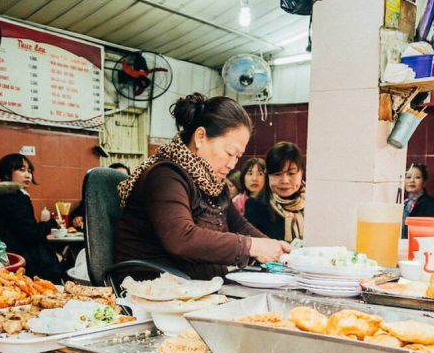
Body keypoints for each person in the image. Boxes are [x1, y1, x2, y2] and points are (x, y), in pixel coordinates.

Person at [115, 93, 290, 280]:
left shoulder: (214, 183)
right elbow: (181, 238)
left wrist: (275, 248)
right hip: (154, 286)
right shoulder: (165, 175)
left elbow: (238, 225)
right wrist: (250, 246)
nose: (232, 164)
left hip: (198, 284)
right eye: (229, 152)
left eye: (238, 157)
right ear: (200, 137)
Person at [0, 153, 63, 282]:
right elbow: (29, 235)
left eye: (29, 171)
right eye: (21, 170)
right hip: (21, 263)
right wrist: (50, 223)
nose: (28, 175)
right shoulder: (15, 196)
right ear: (7, 173)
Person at [244, 142, 306, 242]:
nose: (285, 180)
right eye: (277, 174)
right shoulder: (255, 206)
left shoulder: (313, 204)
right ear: (268, 175)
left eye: (291, 173)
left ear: (301, 172)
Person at [401, 163, 434, 237]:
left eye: (417, 177)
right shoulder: (404, 203)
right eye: (408, 177)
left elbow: (431, 233)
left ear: (424, 182)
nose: (412, 180)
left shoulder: (430, 204)